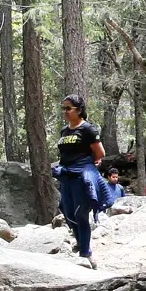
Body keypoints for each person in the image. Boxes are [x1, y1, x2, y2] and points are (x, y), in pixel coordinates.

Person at [53, 94, 108, 268]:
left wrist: (88, 164)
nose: (65, 111)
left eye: (68, 108)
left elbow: (100, 153)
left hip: (81, 177)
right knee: (69, 213)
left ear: (79, 110)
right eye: (63, 108)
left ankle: (86, 253)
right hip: (66, 176)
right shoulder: (64, 130)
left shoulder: (88, 129)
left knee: (81, 214)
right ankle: (81, 244)